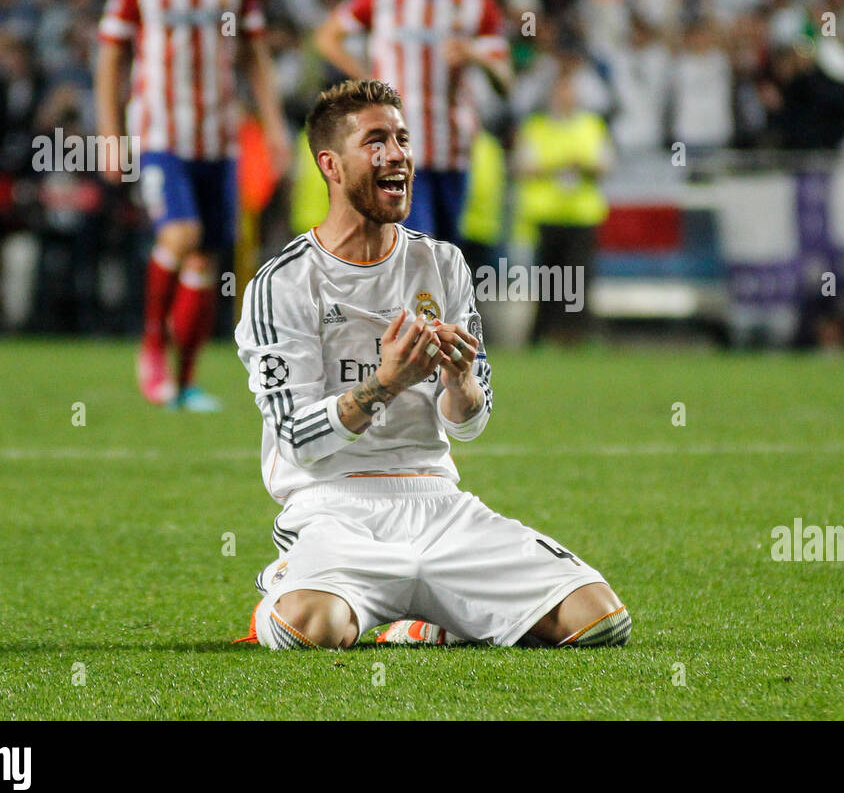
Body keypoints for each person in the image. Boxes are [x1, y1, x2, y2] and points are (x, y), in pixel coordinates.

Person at [234, 79, 630, 650]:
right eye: (375, 141)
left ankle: (419, 622)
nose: (397, 155)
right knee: (309, 630)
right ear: (331, 166)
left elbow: (469, 422)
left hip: (438, 503)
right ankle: (285, 585)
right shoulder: (284, 283)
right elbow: (295, 437)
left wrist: (462, 379)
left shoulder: (441, 263)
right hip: (335, 507)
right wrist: (385, 384)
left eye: (401, 139)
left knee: (599, 621)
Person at [95, 0, 291, 410]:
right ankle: (152, 344)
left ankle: (184, 382)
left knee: (206, 257)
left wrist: (272, 126)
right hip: (160, 134)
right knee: (181, 234)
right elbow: (111, 55)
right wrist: (110, 134)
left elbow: (255, 53)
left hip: (219, 139)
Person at [314, 0, 511, 245]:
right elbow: (328, 37)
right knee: (416, 246)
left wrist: (475, 56)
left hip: (451, 148)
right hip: (394, 149)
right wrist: (367, 83)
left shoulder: (475, 3)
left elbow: (505, 80)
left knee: (442, 250)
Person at [515, 72, 612, 345]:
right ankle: (544, 334)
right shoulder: (536, 126)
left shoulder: (592, 125)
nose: (565, 97)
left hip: (581, 214)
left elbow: (605, 164)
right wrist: (561, 165)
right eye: (560, 92)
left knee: (579, 279)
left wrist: (582, 166)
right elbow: (523, 166)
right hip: (547, 214)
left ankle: (575, 334)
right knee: (549, 280)